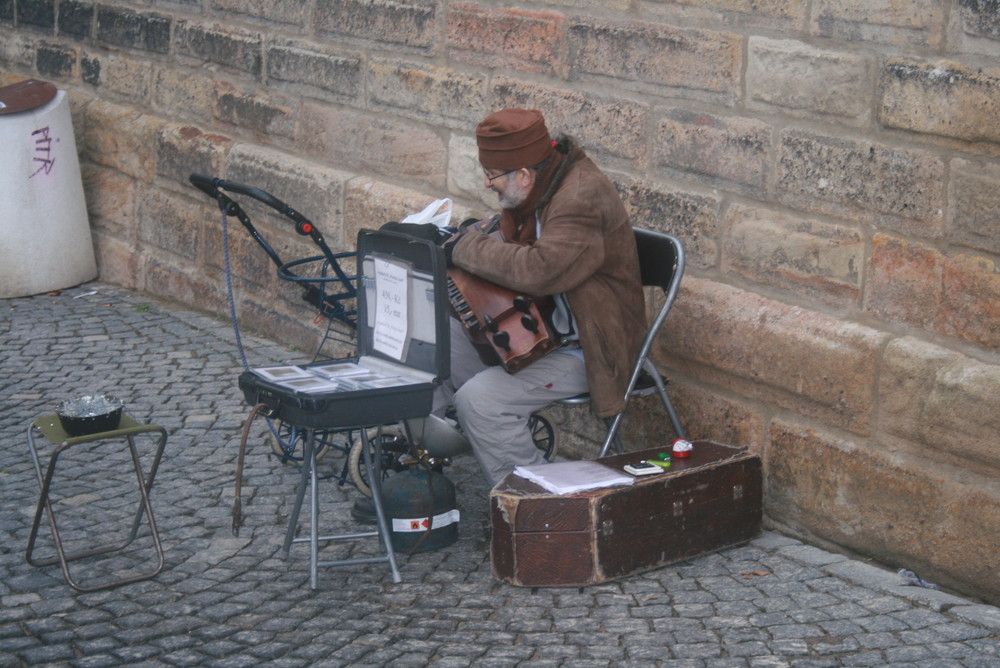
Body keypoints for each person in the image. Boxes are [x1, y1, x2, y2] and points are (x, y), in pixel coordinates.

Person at [436, 108, 647, 487]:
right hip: (539, 328)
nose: (487, 184)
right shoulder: (538, 187)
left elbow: (541, 271)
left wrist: (466, 249)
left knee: (482, 403)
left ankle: (542, 509)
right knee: (432, 347)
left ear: (524, 174)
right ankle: (425, 464)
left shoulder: (580, 196)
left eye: (492, 176)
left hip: (591, 345)